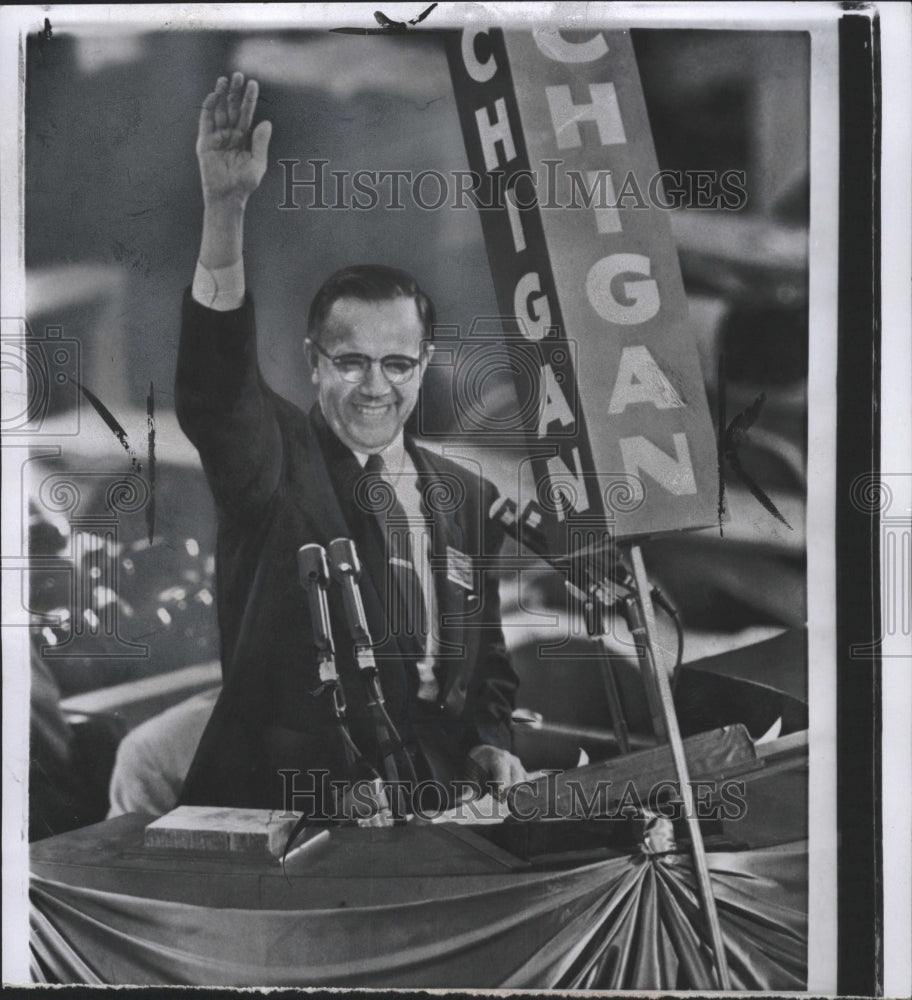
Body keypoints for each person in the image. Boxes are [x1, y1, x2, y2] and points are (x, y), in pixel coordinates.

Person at [175, 72, 524, 816]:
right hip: (293, 813)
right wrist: (225, 211)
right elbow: (213, 390)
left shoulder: (465, 496)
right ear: (312, 362)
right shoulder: (273, 466)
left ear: (424, 365)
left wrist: (492, 740)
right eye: (351, 362)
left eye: (397, 364)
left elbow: (484, 663)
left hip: (436, 803)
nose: (376, 387)